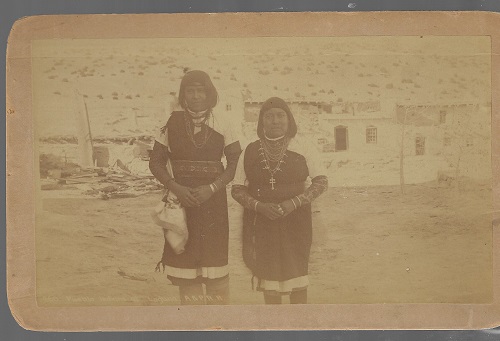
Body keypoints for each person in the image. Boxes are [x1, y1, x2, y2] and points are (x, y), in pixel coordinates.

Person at [149, 70, 241, 305]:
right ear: (183, 94)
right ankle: (193, 324)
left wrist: (212, 187)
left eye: (202, 90)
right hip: (180, 202)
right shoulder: (170, 122)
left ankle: (219, 326)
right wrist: (175, 187)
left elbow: (234, 163)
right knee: (186, 268)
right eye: (191, 90)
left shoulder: (225, 122)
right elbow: (156, 162)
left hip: (213, 202)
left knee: (215, 267)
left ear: (210, 93)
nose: (197, 96)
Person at [231, 97, 328, 304]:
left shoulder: (304, 146)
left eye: (280, 115)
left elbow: (321, 182)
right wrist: (259, 206)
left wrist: (293, 203)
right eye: (269, 116)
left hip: (297, 221)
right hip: (262, 223)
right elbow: (237, 189)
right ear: (261, 122)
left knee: (297, 276)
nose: (275, 121)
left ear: (289, 119)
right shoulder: (249, 150)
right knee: (270, 281)